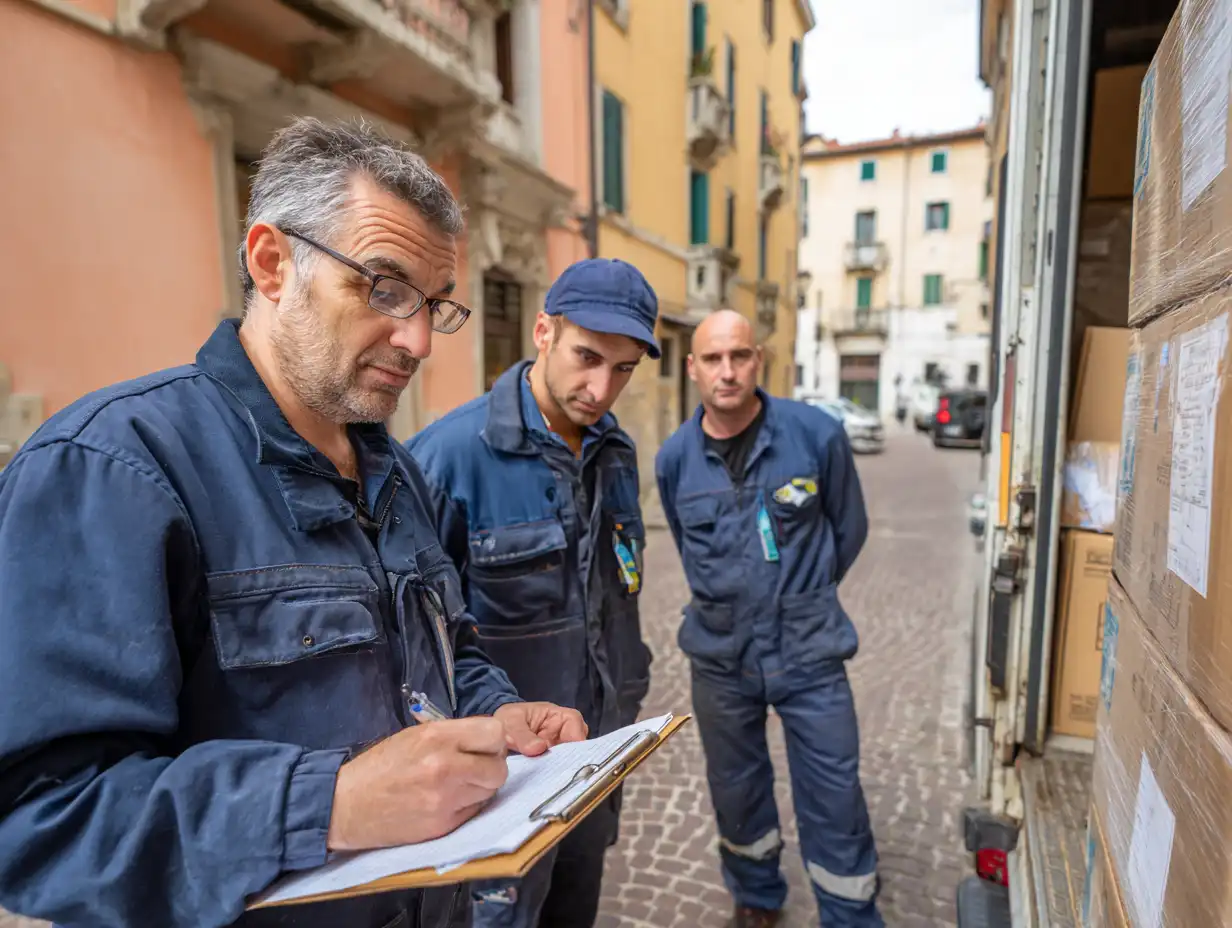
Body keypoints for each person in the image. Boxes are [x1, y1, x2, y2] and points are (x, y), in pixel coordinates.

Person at [0, 117, 588, 928]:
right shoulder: (110, 468)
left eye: (433, 305)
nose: (417, 338)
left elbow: (449, 651)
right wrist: (331, 803)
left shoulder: (397, 469)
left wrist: (495, 713)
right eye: (383, 288)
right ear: (272, 262)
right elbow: (40, 822)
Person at [406, 258, 658, 928]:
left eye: (624, 368)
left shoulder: (615, 451)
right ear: (542, 331)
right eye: (587, 357)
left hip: (596, 759)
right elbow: (419, 645)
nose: (602, 387)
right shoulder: (445, 459)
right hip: (505, 780)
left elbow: (616, 590)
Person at [655, 310, 882, 928]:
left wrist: (805, 593)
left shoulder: (816, 436)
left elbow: (848, 528)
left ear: (760, 360)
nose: (727, 372)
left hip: (810, 652)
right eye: (712, 359)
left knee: (835, 794)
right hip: (721, 659)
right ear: (693, 367)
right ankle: (756, 895)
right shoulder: (675, 459)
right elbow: (683, 542)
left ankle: (849, 914)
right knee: (736, 787)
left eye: (739, 356)